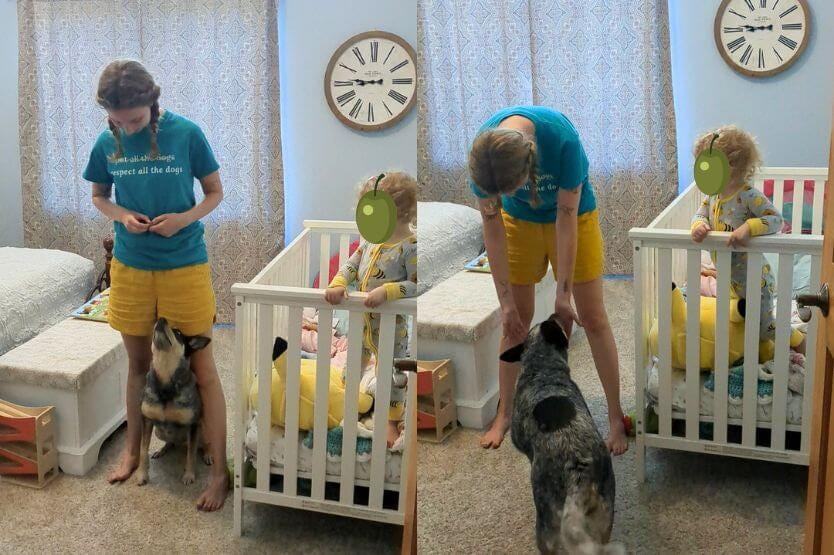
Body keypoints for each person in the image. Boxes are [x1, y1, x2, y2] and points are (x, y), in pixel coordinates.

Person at [83, 59, 228, 510]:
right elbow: (99, 197)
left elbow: (214, 192)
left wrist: (183, 218)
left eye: (135, 119)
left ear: (152, 103)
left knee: (202, 368)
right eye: (117, 120)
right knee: (138, 365)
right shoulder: (107, 142)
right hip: (131, 265)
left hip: (184, 262)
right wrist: (122, 216)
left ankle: (220, 472)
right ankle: (132, 451)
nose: (125, 127)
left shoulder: (187, 134)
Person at [467, 106, 627, 454]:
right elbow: (492, 229)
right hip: (519, 224)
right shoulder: (483, 160)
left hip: (574, 216)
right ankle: (504, 413)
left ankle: (615, 418)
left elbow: (566, 215)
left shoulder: (562, 139)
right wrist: (505, 302)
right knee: (514, 322)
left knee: (594, 316)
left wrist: (563, 294)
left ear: (530, 160)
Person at [325, 172, 418, 447]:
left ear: (400, 213)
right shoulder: (370, 241)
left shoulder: (410, 247)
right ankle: (350, 405)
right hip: (362, 321)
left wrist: (387, 292)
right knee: (353, 363)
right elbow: (351, 264)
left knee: (392, 372)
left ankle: (390, 420)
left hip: (391, 325)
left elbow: (416, 284)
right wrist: (339, 282)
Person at [691, 125, 783, 342]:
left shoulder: (749, 195)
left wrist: (749, 227)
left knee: (763, 329)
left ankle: (796, 342)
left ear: (731, 166)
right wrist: (699, 226)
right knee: (737, 322)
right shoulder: (712, 196)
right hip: (729, 280)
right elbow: (699, 215)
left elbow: (776, 219)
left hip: (755, 280)